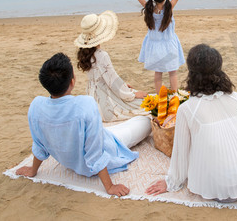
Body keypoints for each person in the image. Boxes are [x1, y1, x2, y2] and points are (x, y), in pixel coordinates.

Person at [146, 44, 237, 202]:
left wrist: (172, 182)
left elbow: (181, 153)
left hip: (219, 188)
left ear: (191, 73)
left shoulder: (188, 109)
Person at [15, 53, 151, 196]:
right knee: (145, 121)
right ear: (72, 82)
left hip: (70, 161)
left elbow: (39, 144)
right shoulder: (85, 104)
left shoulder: (36, 106)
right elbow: (95, 151)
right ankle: (146, 121)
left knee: (117, 129)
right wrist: (109, 187)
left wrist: (33, 170)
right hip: (98, 158)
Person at [111, 0, 200, 93]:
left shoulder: (149, 8)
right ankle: (174, 96)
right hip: (169, 45)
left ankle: (160, 97)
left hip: (154, 46)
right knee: (172, 72)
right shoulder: (169, 7)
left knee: (158, 73)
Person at [74, 10, 150, 122]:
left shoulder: (84, 55)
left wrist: (123, 85)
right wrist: (133, 94)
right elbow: (113, 81)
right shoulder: (102, 55)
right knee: (146, 103)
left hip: (92, 100)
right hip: (104, 103)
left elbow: (104, 79)